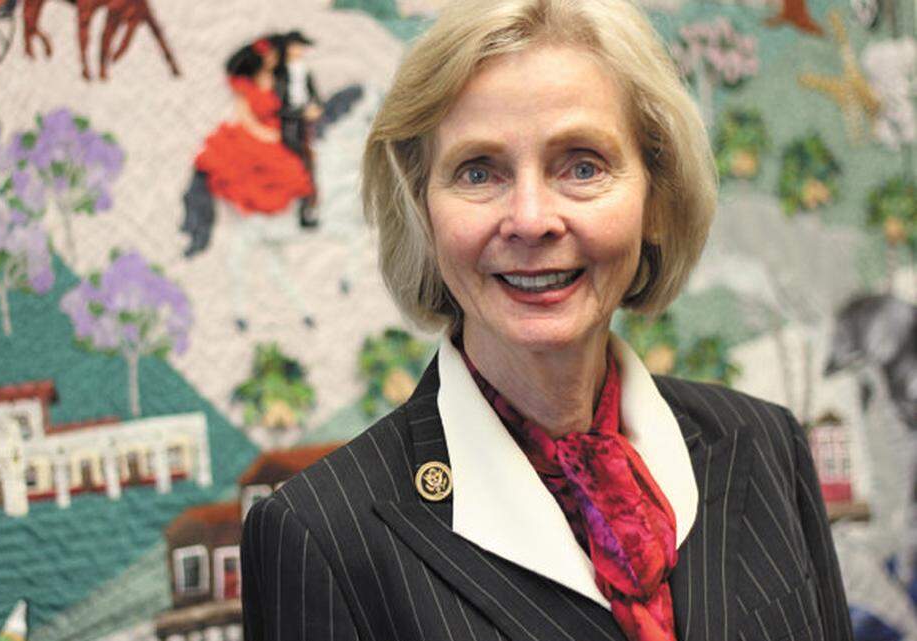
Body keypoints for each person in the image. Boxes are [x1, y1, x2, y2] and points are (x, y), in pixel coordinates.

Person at [239, 0, 854, 639]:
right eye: (479, 171)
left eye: (582, 165)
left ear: (656, 198)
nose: (531, 219)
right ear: (422, 212)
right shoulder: (319, 537)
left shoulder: (765, 444)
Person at [189, 37, 316, 330]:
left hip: (278, 135)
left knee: (300, 169)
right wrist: (268, 136)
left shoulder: (279, 79)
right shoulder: (246, 86)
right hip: (258, 139)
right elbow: (244, 117)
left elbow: (290, 107)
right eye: (271, 54)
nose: (275, 57)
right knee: (272, 174)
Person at [271, 30, 323, 228]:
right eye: (296, 46)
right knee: (301, 164)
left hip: (304, 125)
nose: (299, 50)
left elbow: (315, 96)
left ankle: (307, 209)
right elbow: (277, 106)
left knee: (310, 165)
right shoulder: (280, 73)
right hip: (287, 126)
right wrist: (301, 113)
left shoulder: (305, 71)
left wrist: (315, 108)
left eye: (301, 47)